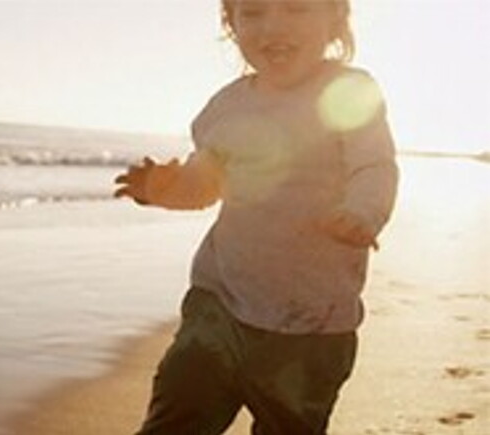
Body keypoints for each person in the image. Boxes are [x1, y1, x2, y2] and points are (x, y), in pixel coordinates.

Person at [114, 0, 398, 433]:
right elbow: (204, 186)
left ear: (336, 19)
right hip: (220, 304)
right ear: (231, 24)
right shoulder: (226, 108)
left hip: (312, 324)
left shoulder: (348, 92)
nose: (273, 25)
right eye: (253, 12)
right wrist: (163, 188)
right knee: (175, 417)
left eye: (296, 8)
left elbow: (373, 166)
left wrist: (362, 212)